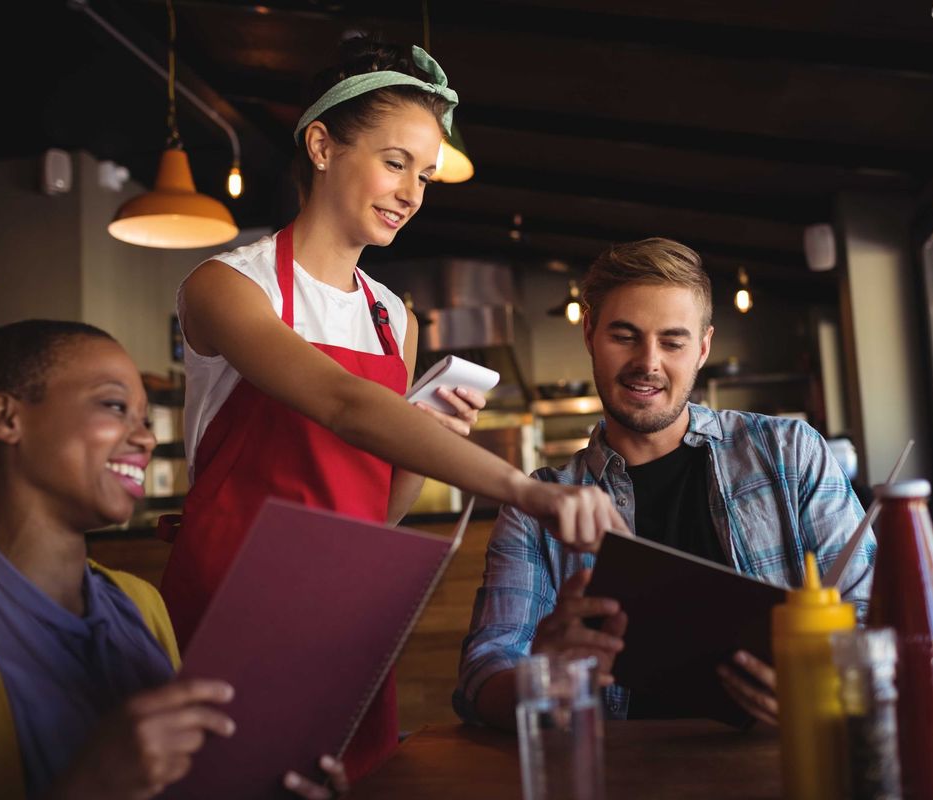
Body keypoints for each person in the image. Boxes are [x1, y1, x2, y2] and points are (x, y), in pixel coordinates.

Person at [159, 36, 626, 780]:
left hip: (347, 611)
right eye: (394, 161)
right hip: (235, 600)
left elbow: (381, 508)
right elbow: (344, 405)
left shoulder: (392, 317)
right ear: (321, 144)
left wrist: (427, 430)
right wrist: (522, 488)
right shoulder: (229, 287)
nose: (413, 192)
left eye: (427, 174)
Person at [454, 239, 877, 730]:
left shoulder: (790, 454)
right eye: (625, 336)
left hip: (790, 762)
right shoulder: (537, 505)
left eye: (672, 342)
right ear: (589, 332)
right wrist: (542, 678)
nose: (648, 362)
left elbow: (871, 615)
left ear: (702, 348)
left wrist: (816, 685)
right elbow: (483, 675)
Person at [0, 321, 347, 800]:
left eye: (144, 418)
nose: (144, 438)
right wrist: (93, 786)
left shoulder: (141, 603)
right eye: (114, 406)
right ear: (5, 418)